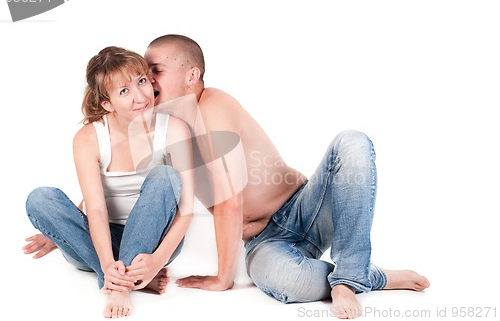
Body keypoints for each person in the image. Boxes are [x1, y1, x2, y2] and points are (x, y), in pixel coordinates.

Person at [145, 34, 430, 319]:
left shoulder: (212, 105)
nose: (147, 78)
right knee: (286, 281)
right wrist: (150, 263)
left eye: (156, 69)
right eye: (144, 73)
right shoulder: (171, 133)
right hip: (265, 241)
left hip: (307, 208)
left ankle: (347, 280)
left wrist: (223, 278)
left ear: (191, 75)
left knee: (352, 141)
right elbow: (173, 208)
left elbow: (229, 202)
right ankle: (366, 275)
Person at [24, 46, 194, 319]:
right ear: (107, 103)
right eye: (124, 91)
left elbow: (186, 209)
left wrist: (157, 261)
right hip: (101, 243)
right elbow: (97, 209)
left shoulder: (174, 128)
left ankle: (124, 282)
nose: (140, 97)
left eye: (141, 82)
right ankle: (126, 281)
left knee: (165, 175)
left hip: (154, 248)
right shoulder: (89, 138)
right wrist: (106, 263)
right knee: (39, 198)